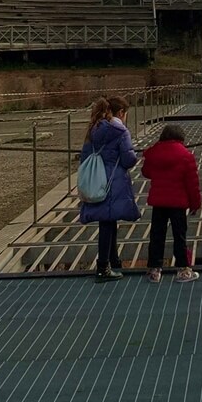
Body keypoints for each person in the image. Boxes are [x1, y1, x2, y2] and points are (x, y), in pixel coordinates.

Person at [78, 95, 140, 281]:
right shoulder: (120, 131)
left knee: (108, 221)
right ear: (121, 113)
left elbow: (85, 155)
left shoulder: (94, 127)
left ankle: (114, 260)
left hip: (96, 179)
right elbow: (128, 159)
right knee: (108, 223)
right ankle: (103, 267)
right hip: (113, 180)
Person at [141, 123, 202, 283]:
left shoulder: (153, 153)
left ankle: (154, 269)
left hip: (158, 201)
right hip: (178, 203)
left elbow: (146, 172)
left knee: (157, 235)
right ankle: (183, 269)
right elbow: (192, 183)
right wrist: (195, 203)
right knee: (179, 235)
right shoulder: (186, 155)